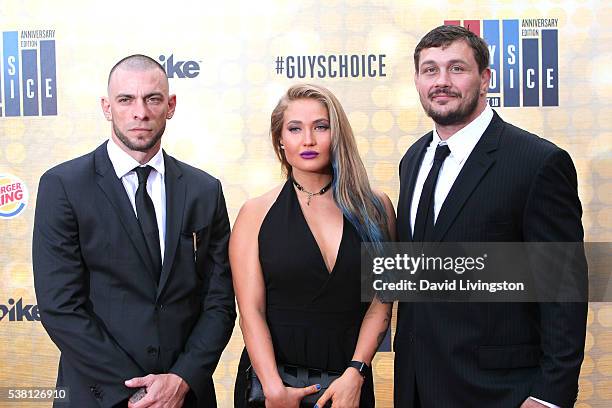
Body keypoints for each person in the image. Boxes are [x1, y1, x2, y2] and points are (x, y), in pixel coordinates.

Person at [394, 25, 587, 407]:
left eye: (456, 68)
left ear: (485, 79)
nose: (442, 81)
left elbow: (563, 289)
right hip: (416, 387)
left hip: (501, 392)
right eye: (430, 69)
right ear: (417, 80)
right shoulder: (413, 160)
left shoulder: (537, 162)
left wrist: (551, 396)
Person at [32, 54, 236, 408]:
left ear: (170, 106)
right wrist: (134, 391)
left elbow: (219, 301)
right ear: (107, 107)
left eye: (152, 99)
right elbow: (60, 307)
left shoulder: (205, 190)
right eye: (126, 99)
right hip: (97, 396)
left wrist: (181, 378)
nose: (139, 112)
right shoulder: (63, 186)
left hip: (185, 396)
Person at [231, 84, 395, 408]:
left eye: (321, 126)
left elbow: (382, 301)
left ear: (337, 134)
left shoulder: (377, 207)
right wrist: (274, 389)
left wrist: (356, 371)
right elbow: (251, 312)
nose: (308, 140)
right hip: (273, 389)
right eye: (295, 129)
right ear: (280, 138)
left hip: (350, 387)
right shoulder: (255, 212)